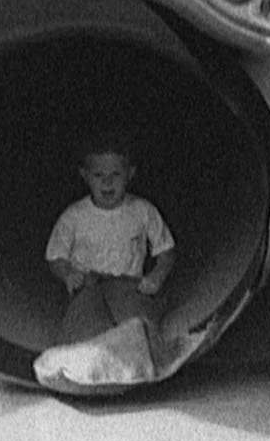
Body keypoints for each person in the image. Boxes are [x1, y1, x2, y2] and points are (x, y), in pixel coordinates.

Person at [45, 139, 175, 344]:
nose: (107, 182)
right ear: (85, 176)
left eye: (115, 174)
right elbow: (55, 257)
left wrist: (157, 276)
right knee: (82, 330)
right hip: (87, 286)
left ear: (130, 174)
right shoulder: (73, 216)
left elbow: (166, 251)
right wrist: (68, 274)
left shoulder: (142, 210)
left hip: (129, 286)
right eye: (98, 175)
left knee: (138, 327)